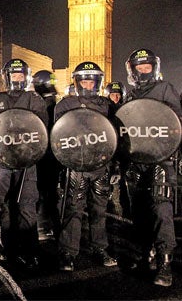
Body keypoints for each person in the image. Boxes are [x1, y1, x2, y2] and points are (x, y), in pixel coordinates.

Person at [123, 48, 182, 287]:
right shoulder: (130, 94)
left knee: (161, 211)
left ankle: (165, 261)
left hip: (160, 159)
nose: (144, 71)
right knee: (139, 212)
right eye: (140, 67)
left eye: (147, 67)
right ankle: (146, 252)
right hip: (137, 160)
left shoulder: (165, 89)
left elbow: (175, 123)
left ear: (154, 68)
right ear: (133, 69)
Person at [54, 62, 118, 272]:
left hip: (100, 164)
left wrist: (115, 166)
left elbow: (115, 137)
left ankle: (100, 248)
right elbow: (57, 138)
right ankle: (67, 252)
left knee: (99, 210)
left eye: (91, 80)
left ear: (97, 82)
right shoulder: (65, 104)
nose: (88, 84)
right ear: (77, 82)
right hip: (75, 166)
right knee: (73, 209)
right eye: (84, 80)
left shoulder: (107, 105)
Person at [0, 58, 48, 270]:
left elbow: (43, 132)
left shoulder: (35, 100)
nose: (18, 79)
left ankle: (31, 251)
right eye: (14, 75)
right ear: (7, 77)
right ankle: (9, 248)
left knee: (27, 207)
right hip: (3, 161)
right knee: (6, 206)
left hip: (27, 162)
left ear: (26, 77)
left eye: (21, 75)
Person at [31, 69, 60, 241]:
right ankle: (54, 226)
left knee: (42, 192)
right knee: (51, 193)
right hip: (53, 154)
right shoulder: (55, 102)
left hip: (42, 154)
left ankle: (43, 225)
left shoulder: (39, 104)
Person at [102, 80, 129, 217]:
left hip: (123, 152)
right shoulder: (103, 111)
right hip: (108, 152)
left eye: (118, 95)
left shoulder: (128, 111)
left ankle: (126, 211)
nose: (116, 98)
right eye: (113, 95)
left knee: (125, 184)